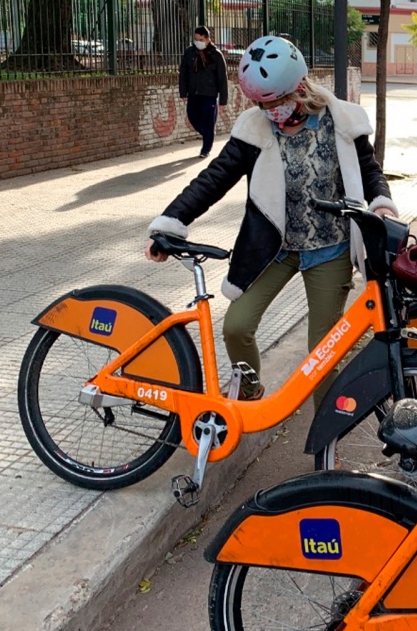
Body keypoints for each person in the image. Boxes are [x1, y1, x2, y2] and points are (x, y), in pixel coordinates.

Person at [147, 36, 398, 407]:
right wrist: (171, 221)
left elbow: (369, 170)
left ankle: (326, 446)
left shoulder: (340, 121)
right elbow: (213, 179)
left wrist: (382, 205)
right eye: (261, 104)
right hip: (274, 248)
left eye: (275, 102)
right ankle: (249, 393)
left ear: (298, 87)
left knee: (322, 356)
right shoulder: (255, 128)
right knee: (236, 326)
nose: (270, 111)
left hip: (330, 249)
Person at [179, 26, 229, 158]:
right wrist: (183, 92)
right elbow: (183, 73)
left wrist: (223, 100)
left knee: (208, 121)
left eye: (200, 39)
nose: (198, 42)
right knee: (192, 117)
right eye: (196, 39)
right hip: (193, 92)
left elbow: (222, 78)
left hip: (210, 94)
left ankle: (205, 149)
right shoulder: (190, 53)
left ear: (207, 39)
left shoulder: (216, 55)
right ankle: (209, 133)